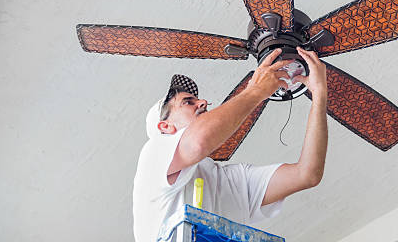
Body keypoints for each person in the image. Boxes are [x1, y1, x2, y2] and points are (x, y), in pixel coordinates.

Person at [133, 47, 328, 242]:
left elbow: (307, 174)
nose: (203, 102)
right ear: (165, 127)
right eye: (188, 102)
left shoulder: (223, 181)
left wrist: (319, 96)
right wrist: (256, 90)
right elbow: (198, 142)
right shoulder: (153, 155)